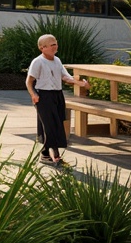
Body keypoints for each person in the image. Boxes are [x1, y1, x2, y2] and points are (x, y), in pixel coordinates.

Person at [26, 33, 89, 167]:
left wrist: (80, 84)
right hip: (43, 96)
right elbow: (29, 81)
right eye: (52, 45)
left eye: (56, 43)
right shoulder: (37, 62)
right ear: (42, 48)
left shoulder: (57, 60)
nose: (55, 46)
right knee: (49, 126)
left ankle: (53, 155)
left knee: (58, 124)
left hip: (57, 95)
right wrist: (33, 94)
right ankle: (48, 155)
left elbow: (66, 77)